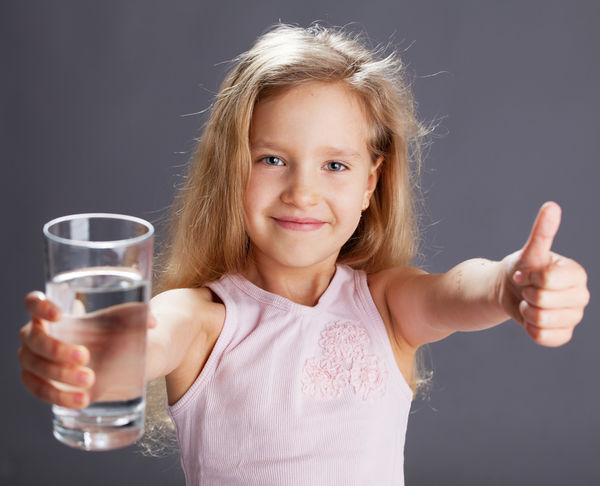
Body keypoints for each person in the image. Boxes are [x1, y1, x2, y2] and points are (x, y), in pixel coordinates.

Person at [18, 24, 589, 485]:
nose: (301, 192)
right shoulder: (202, 320)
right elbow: (145, 335)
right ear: (231, 169)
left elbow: (462, 289)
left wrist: (510, 285)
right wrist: (85, 355)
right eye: (271, 159)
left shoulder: (386, 308)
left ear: (371, 182)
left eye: (334, 165)